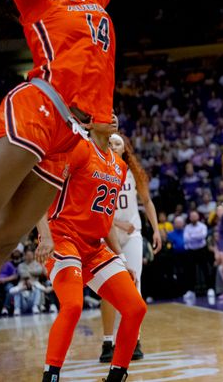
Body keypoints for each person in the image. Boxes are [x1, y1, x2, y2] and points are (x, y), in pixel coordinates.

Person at [0, 0, 146, 290]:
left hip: (70, 131)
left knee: (1, 245)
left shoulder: (93, 0)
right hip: (41, 106)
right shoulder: (41, 3)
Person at [38, 120, 147, 382]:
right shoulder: (79, 148)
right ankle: (50, 377)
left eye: (114, 114)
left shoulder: (119, 167)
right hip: (63, 238)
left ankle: (116, 376)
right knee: (73, 305)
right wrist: (45, 234)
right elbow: (41, 190)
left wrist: (119, 258)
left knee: (135, 308)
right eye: (104, 112)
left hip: (94, 247)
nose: (112, 116)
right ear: (89, 122)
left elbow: (106, 218)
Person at [99, 132, 162, 364]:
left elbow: (147, 201)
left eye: (118, 143)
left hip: (133, 234)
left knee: (135, 287)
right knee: (109, 289)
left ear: (125, 149)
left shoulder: (133, 173)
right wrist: (116, 222)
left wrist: (155, 229)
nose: (114, 146)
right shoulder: (97, 169)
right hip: (107, 235)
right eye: (110, 143)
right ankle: (108, 342)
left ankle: (134, 339)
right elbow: (91, 206)